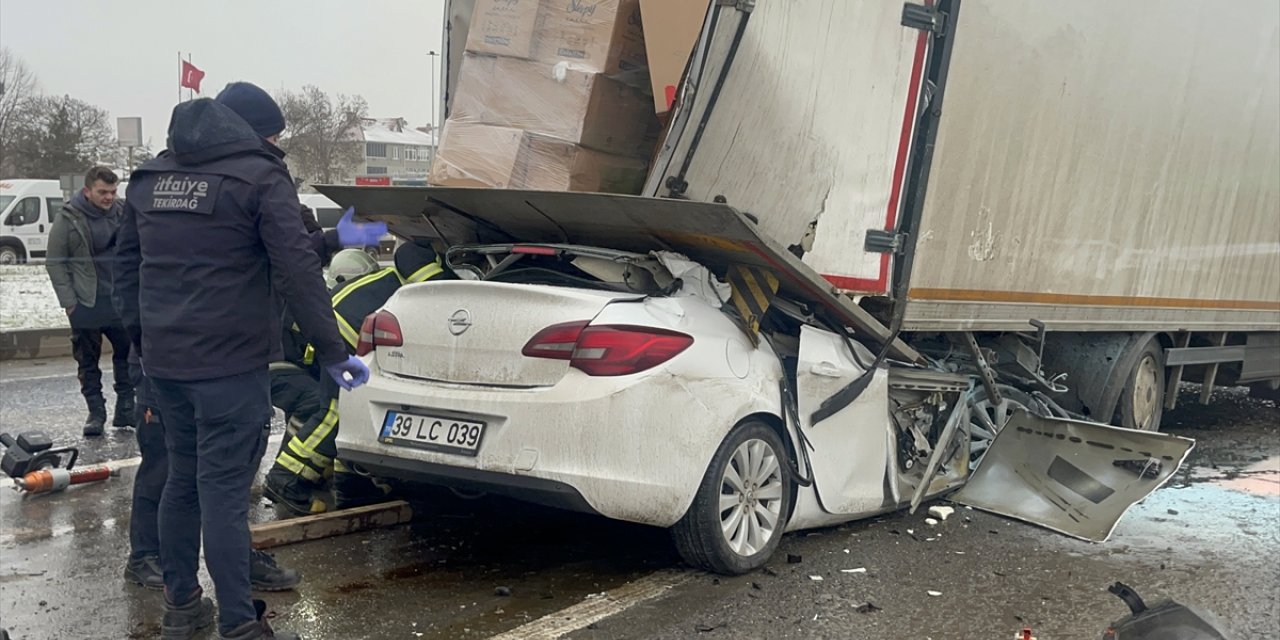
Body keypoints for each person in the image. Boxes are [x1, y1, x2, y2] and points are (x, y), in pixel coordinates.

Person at [114, 81, 368, 640]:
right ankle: (238, 624)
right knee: (225, 497)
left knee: (183, 481)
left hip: (165, 366)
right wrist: (333, 352)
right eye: (274, 134)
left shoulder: (150, 179)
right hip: (229, 368)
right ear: (253, 132)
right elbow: (297, 271)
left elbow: (126, 274)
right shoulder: (259, 177)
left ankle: (182, 608)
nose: (277, 143)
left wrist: (145, 346)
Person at [265, 240, 448, 515]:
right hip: (341, 338)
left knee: (351, 413)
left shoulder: (405, 269)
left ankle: (352, 487)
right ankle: (286, 478)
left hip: (334, 332)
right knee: (336, 413)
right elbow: (438, 291)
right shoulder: (430, 269)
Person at [46, 166, 134, 436]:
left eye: (112, 191)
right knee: (87, 361)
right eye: (102, 192)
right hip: (85, 301)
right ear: (87, 191)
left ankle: (126, 409)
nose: (109, 197)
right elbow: (55, 263)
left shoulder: (123, 213)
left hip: (118, 299)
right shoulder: (69, 218)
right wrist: (69, 302)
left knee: (128, 357)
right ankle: (96, 413)